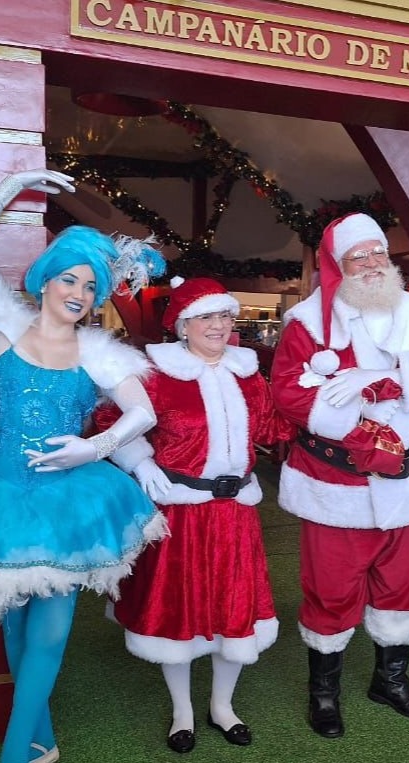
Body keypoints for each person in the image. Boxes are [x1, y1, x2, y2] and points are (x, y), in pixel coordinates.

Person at [0, 168, 169, 763]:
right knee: (16, 626)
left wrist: (93, 449)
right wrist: (12, 187)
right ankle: (41, 743)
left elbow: (143, 411)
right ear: (47, 278)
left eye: (91, 286)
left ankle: (12, 754)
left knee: (50, 633)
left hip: (66, 501)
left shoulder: (100, 354)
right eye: (70, 278)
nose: (78, 292)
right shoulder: (1, 328)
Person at [270, 213, 409, 738]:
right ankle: (323, 692)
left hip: (404, 483)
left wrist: (379, 385)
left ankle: (390, 681)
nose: (373, 264)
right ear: (338, 266)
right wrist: (361, 437)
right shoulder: (307, 324)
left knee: (399, 587)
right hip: (335, 484)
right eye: (360, 256)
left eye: (379, 253)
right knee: (329, 590)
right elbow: (289, 392)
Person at [97, 275, 294, 754]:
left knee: (235, 611)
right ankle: (183, 710)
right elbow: (108, 420)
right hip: (180, 513)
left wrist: (317, 389)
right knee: (178, 611)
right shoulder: (156, 373)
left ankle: (222, 707)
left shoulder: (248, 373)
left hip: (235, 513)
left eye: (225, 315)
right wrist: (141, 463)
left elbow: (275, 425)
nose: (219, 325)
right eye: (207, 316)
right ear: (183, 325)